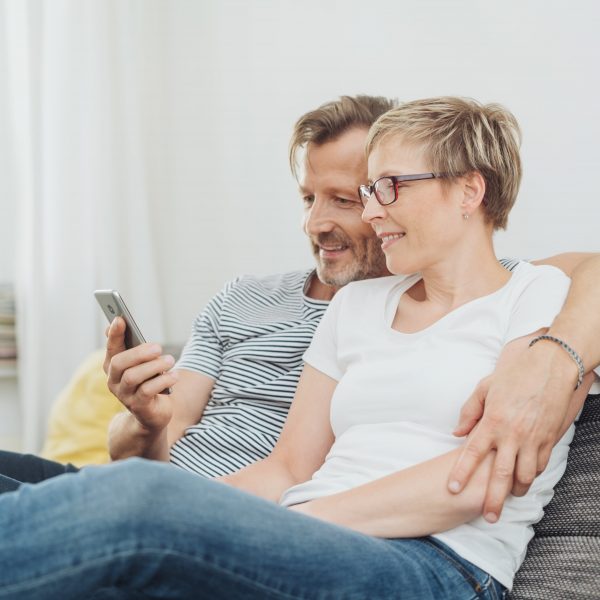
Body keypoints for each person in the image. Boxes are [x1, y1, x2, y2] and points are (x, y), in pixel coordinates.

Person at [0, 96, 595, 599]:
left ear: (469, 190)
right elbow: (289, 466)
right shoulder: (356, 306)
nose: (370, 211)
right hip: (318, 534)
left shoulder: (547, 297)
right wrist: (216, 510)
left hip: (436, 563)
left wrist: (281, 521)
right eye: (366, 191)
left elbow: (480, 479)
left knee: (140, 499)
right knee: (102, 489)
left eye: (386, 188)